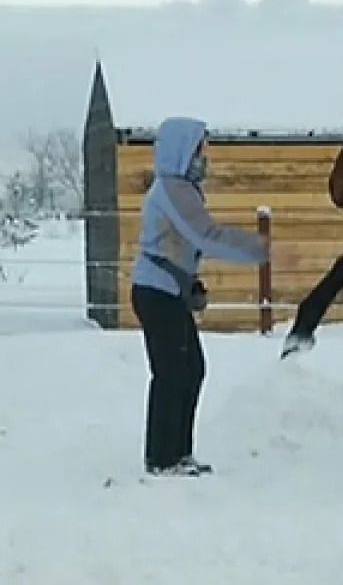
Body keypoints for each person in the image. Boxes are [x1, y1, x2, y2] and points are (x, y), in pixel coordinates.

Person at [130, 117, 269, 477]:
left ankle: (178, 454)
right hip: (156, 291)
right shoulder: (172, 189)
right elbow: (206, 235)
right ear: (181, 151)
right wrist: (260, 250)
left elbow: (187, 243)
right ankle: (162, 459)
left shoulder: (182, 190)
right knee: (172, 372)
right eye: (199, 150)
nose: (204, 158)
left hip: (169, 290)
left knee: (191, 369)